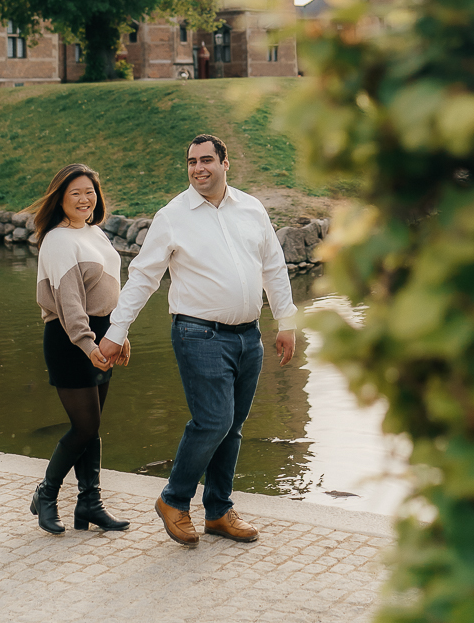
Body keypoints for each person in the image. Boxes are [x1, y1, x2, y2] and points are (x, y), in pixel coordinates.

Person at [99, 133, 296, 546]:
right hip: (198, 333)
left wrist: (286, 321)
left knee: (234, 426)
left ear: (226, 164)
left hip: (249, 336)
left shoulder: (252, 209)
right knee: (214, 421)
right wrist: (116, 332)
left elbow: (273, 267)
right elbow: (144, 277)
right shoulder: (173, 215)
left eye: (206, 159)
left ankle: (219, 511)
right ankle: (174, 499)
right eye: (191, 161)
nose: (198, 168)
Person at [30, 162, 130, 535]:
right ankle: (46, 494)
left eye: (90, 192)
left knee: (94, 426)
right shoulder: (58, 240)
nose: (85, 199)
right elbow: (70, 304)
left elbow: (109, 291)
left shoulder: (94, 234)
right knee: (84, 426)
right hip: (71, 340)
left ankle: (90, 504)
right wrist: (90, 345)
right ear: (61, 198)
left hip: (101, 335)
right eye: (76, 193)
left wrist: (120, 333)